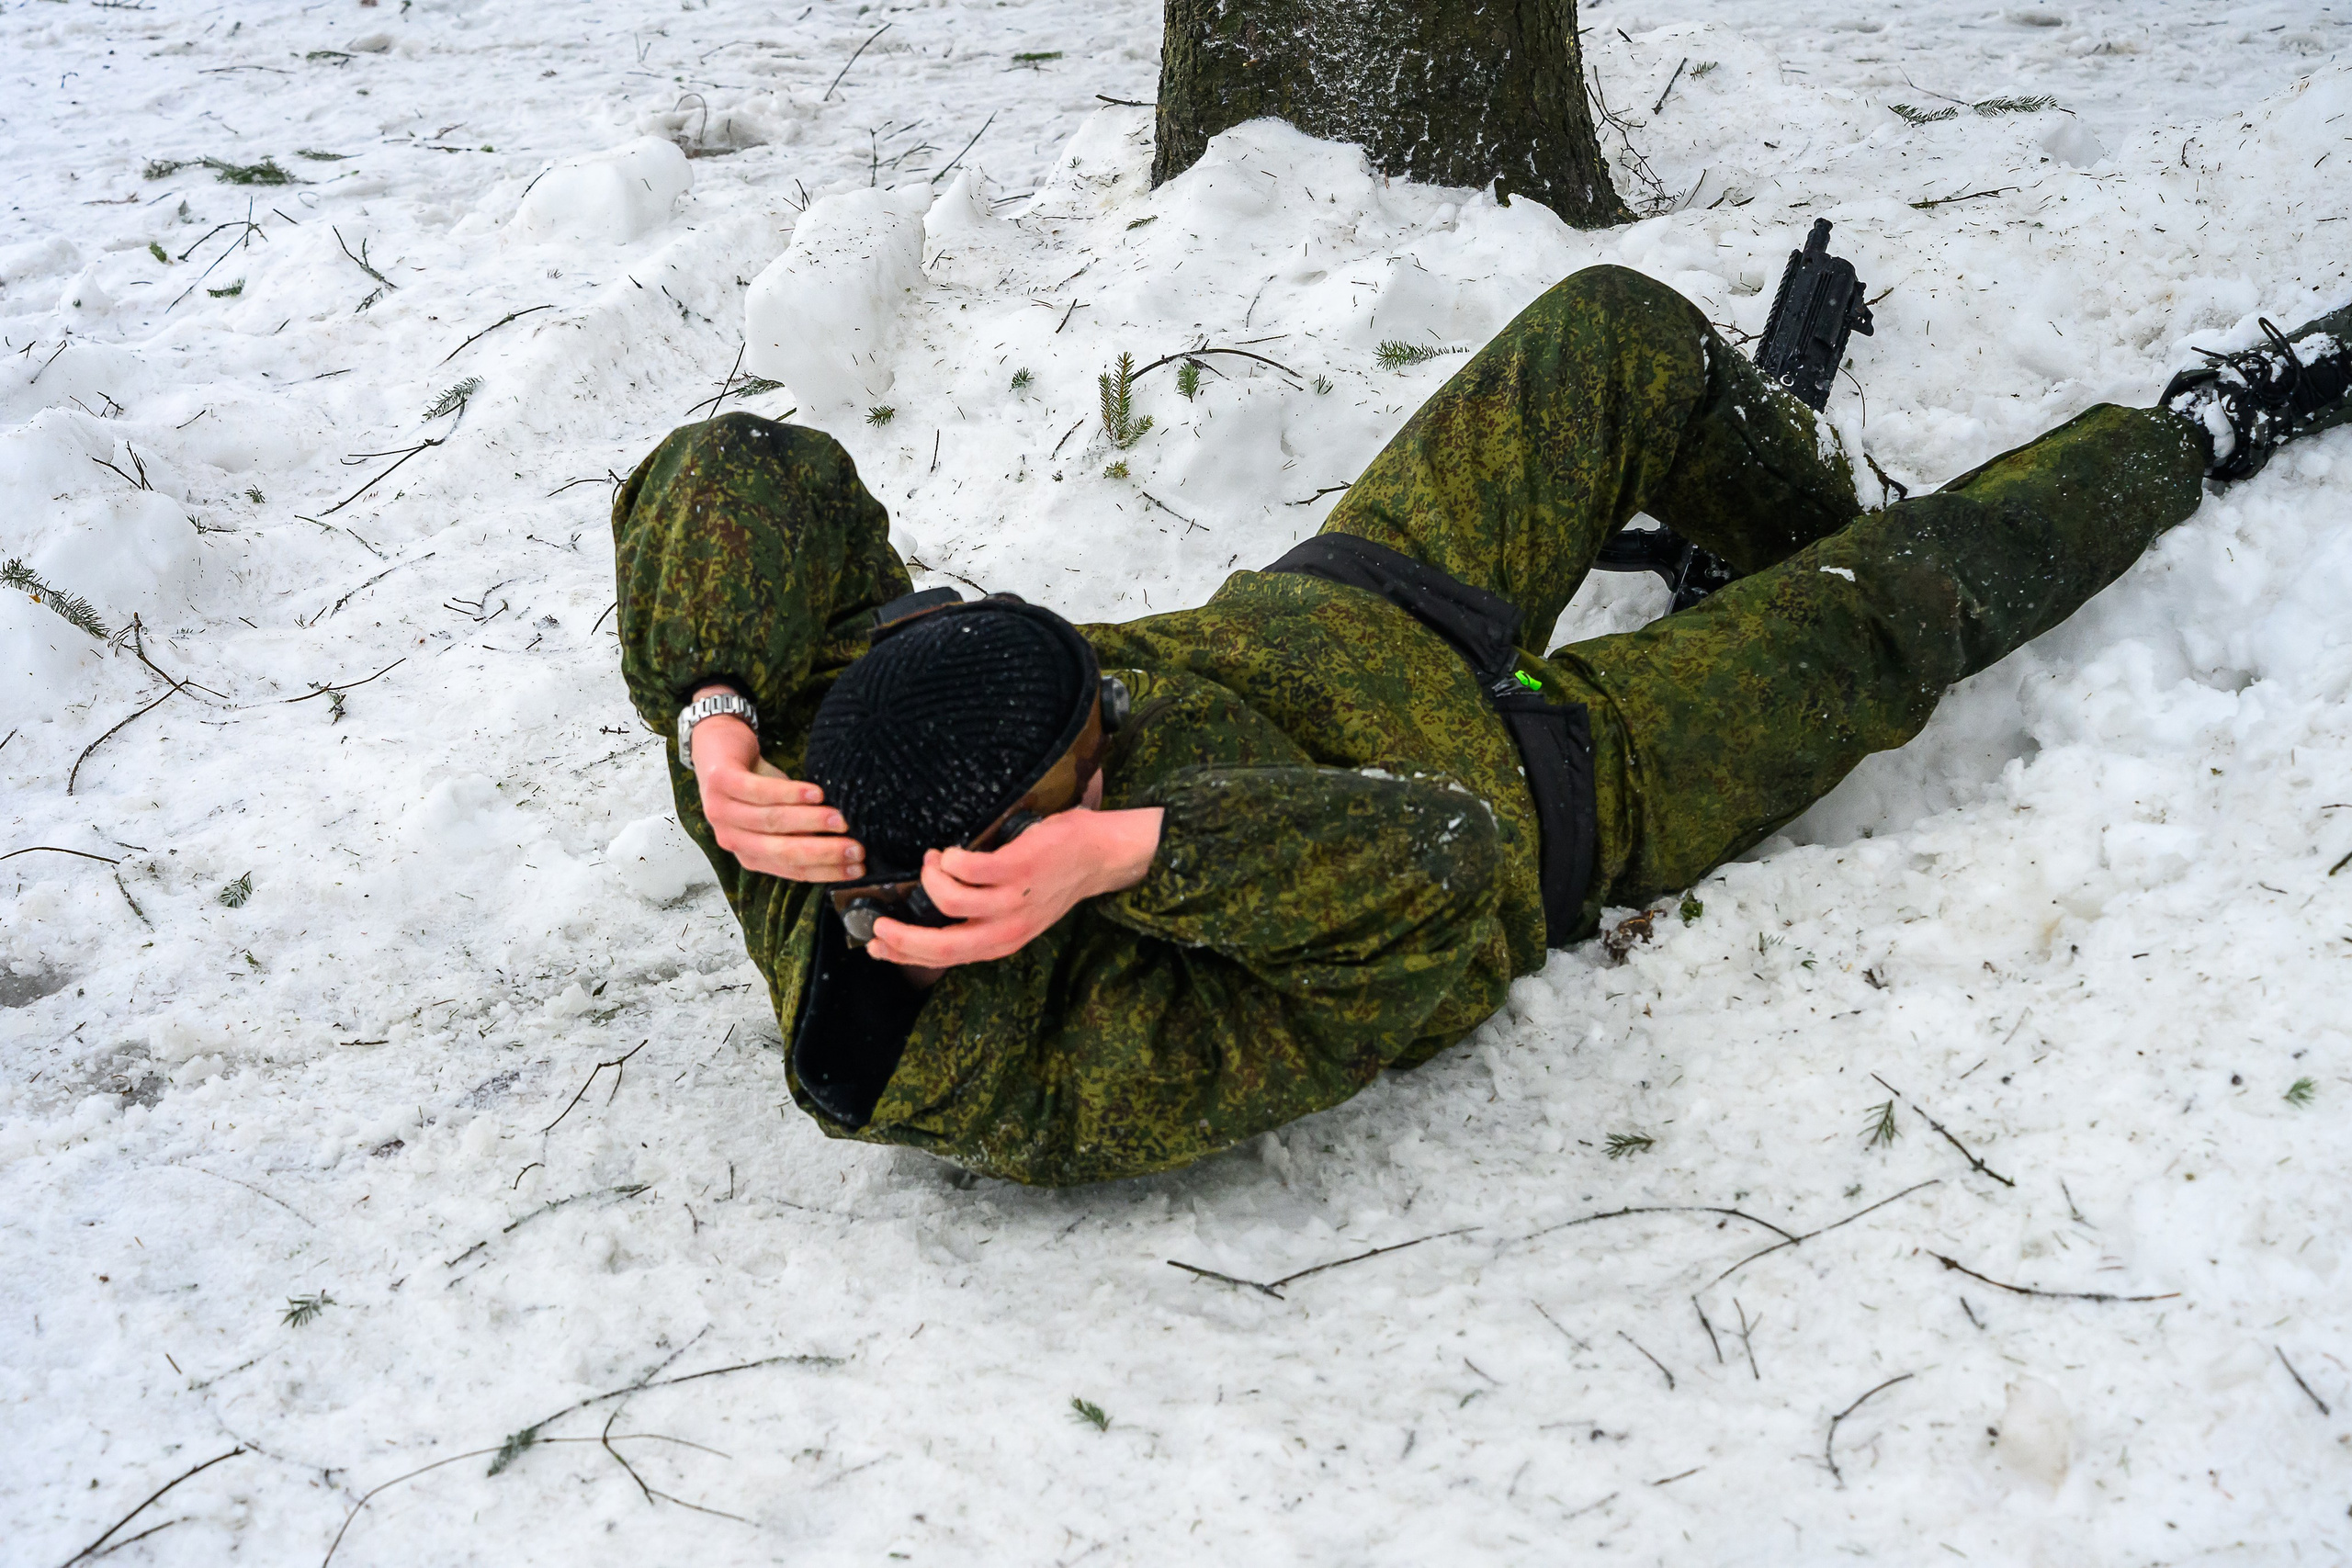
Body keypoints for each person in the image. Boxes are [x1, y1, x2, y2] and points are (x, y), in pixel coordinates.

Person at [611, 265, 2351, 1187]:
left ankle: (1787, 508)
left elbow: (732, 469)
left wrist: (714, 714)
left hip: (1358, 606)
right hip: (1566, 777)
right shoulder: (1077, 1058)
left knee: (1616, 334)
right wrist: (1144, 847)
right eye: (1097, 743)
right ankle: (2189, 437)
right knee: (1900, 602)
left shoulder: (826, 801)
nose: (1119, 708)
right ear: (998, 870)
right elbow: (1432, 865)